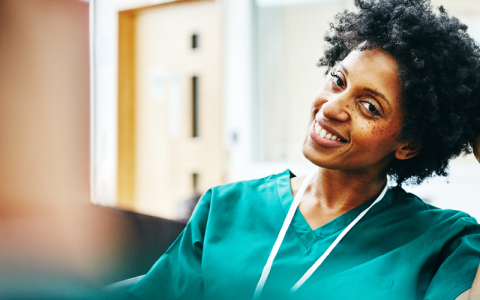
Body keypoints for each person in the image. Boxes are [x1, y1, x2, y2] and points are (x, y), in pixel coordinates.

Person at [125, 0, 480, 299]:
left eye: (369, 106)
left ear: (408, 145)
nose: (330, 108)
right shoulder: (225, 209)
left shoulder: (440, 241)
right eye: (337, 81)